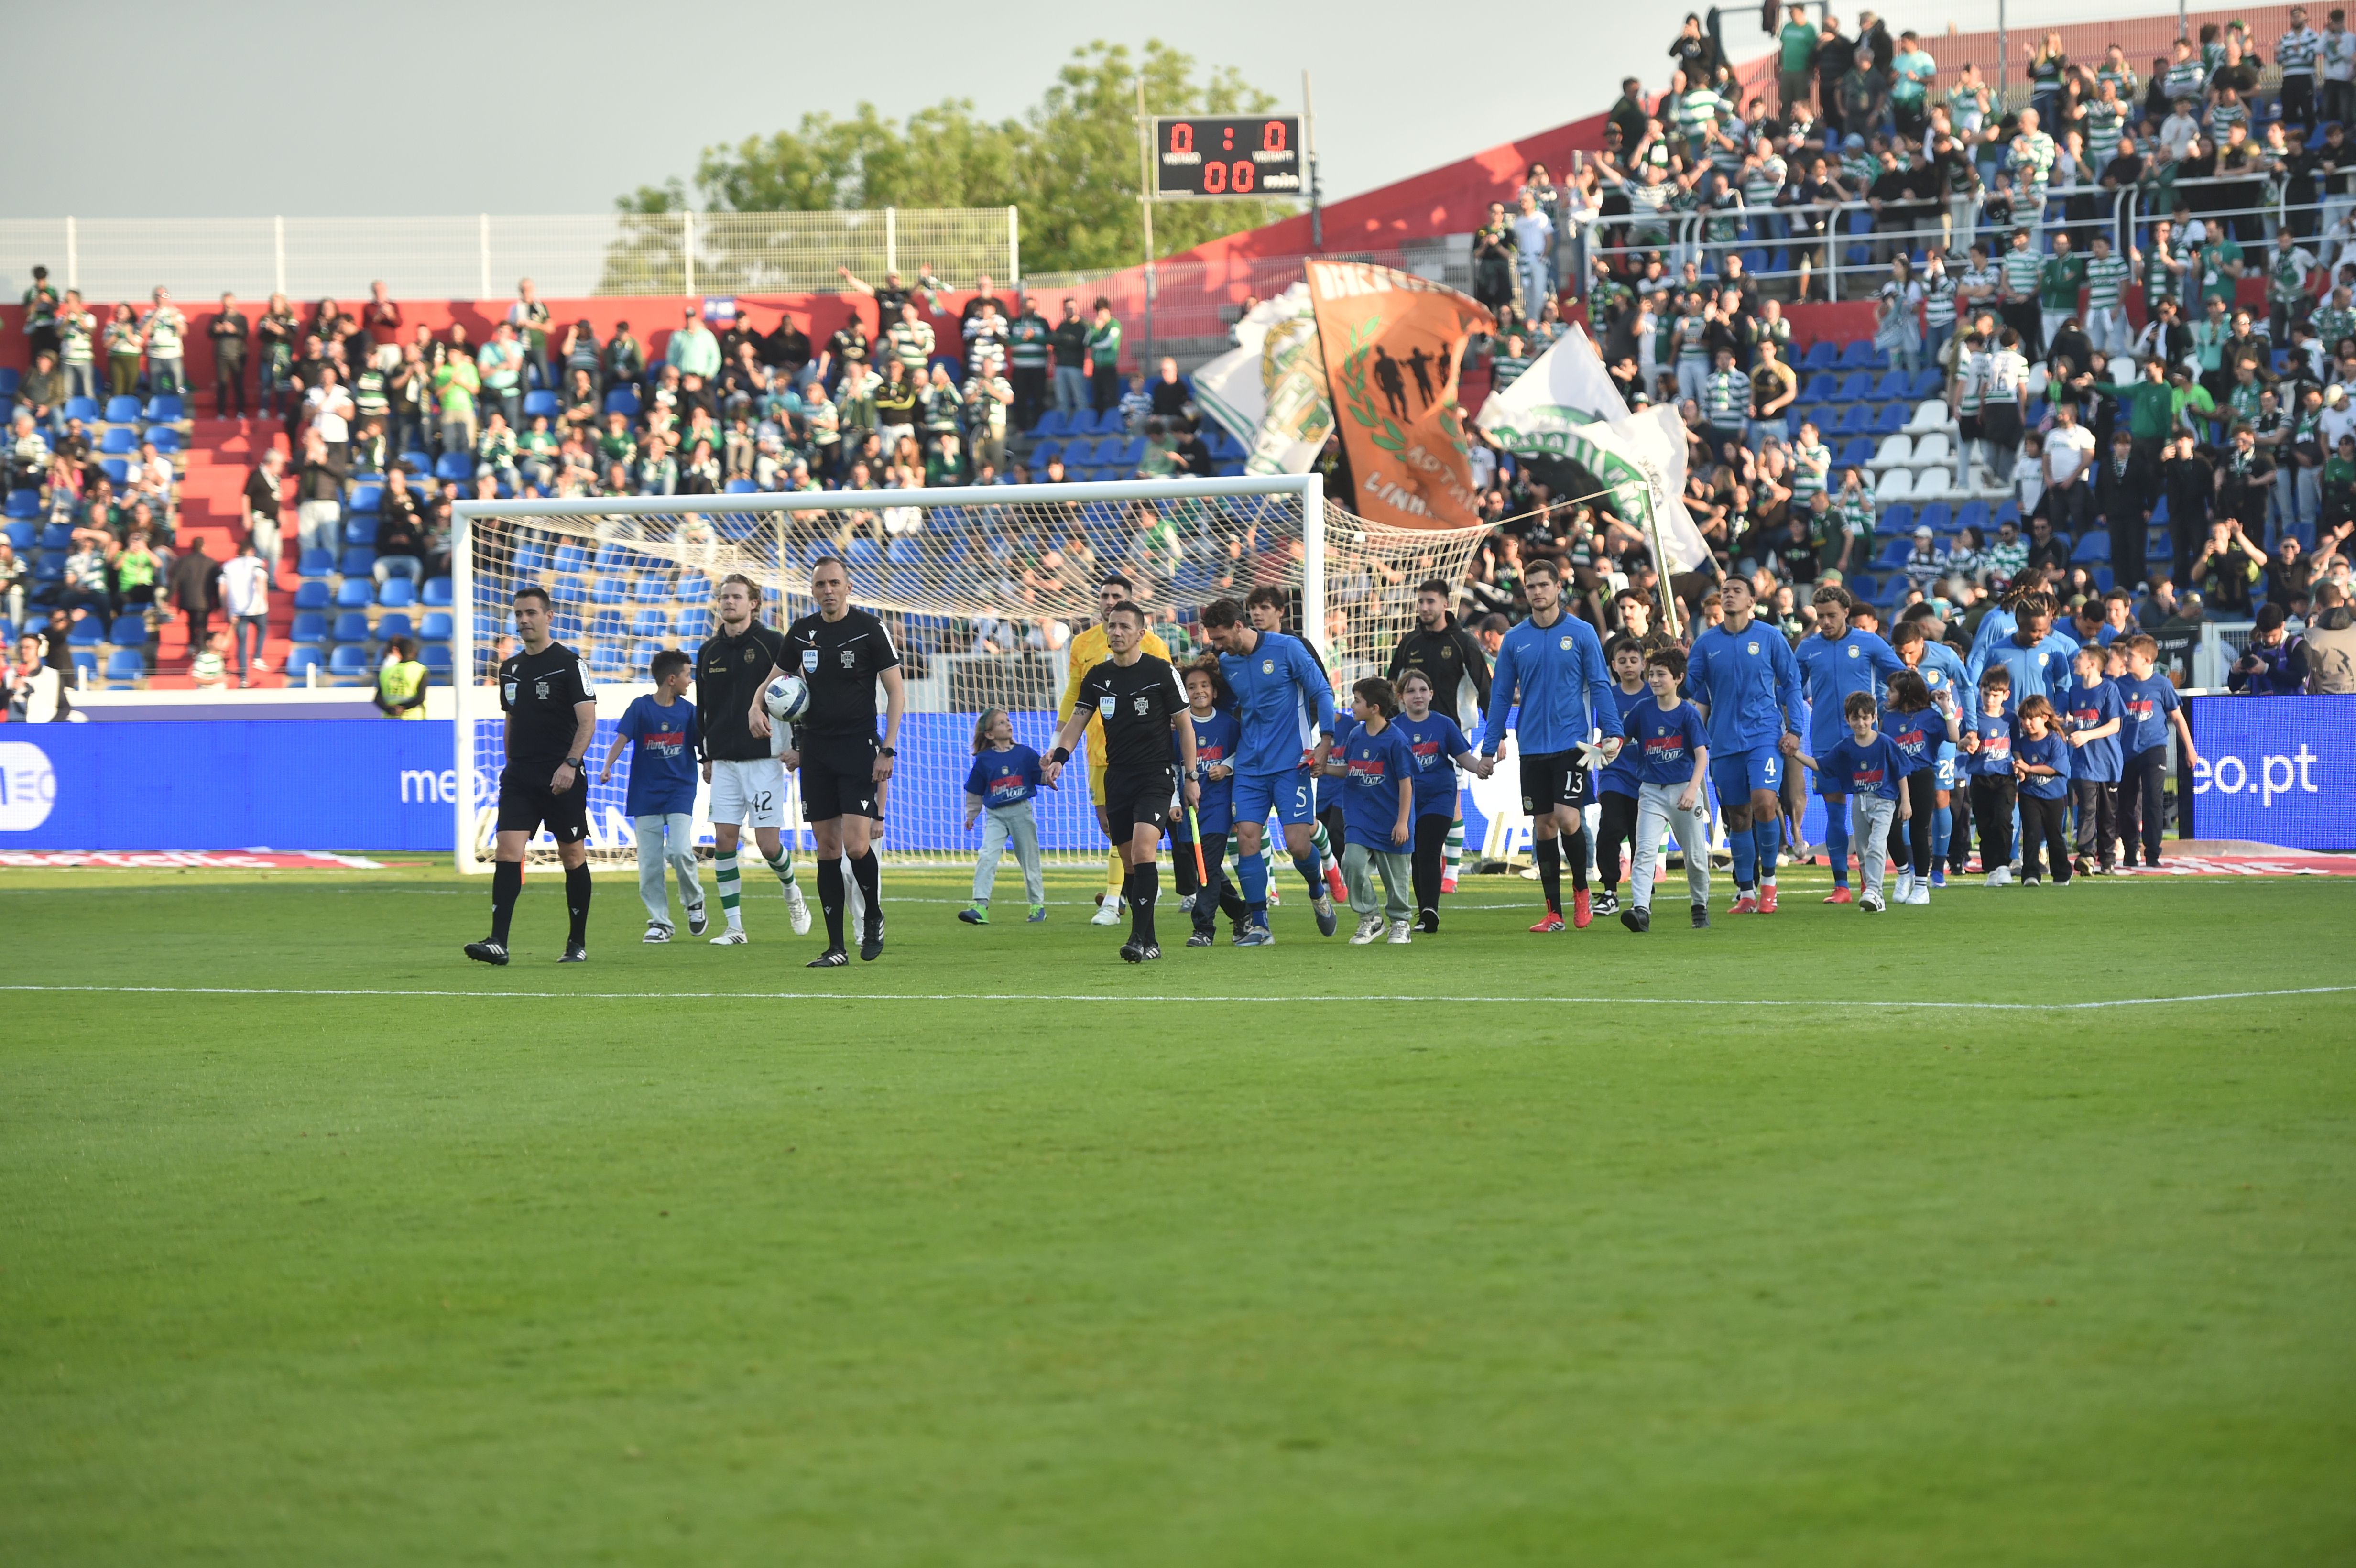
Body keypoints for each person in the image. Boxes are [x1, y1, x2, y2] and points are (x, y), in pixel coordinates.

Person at [753, 558, 905, 966]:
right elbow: (774, 677)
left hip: (858, 747)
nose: (828, 590)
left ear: (848, 587)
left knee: (857, 847)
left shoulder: (870, 629)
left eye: (835, 583)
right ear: (813, 590)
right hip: (816, 750)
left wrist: (887, 748)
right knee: (827, 849)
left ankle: (873, 915)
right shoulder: (802, 632)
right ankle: (836, 947)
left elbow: (896, 692)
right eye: (821, 584)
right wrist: (756, 705)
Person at [1042, 600, 1196, 961]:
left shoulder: (1161, 671)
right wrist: (1058, 758)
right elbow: (1078, 721)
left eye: (1125, 626)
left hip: (1156, 776)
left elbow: (1186, 727)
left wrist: (1190, 776)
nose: (1117, 632)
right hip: (1118, 778)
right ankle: (1151, 941)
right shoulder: (1098, 675)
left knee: (1144, 851)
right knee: (1130, 864)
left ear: (1141, 633)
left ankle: (1136, 939)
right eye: (1112, 626)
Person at [1477, 556, 1624, 931]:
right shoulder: (1515, 640)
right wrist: (1490, 745)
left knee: (1567, 817)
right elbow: (1499, 697)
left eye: (1544, 585)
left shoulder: (1582, 633)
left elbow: (1601, 684)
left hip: (1572, 743)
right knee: (1543, 827)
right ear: (1525, 592)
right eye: (1531, 586)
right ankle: (1553, 913)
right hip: (1532, 747)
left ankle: (1581, 891)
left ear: (1558, 588)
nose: (1538, 592)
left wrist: (1612, 730)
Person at [466, 587, 595, 966]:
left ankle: (577, 943)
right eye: (519, 614)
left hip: (562, 776)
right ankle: (498, 942)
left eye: (531, 613)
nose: (523, 620)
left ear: (549, 616)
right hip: (521, 776)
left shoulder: (570, 664)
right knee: (507, 850)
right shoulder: (510, 667)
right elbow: (512, 718)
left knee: (572, 856)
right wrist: (511, 764)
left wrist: (570, 764)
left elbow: (588, 722)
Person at [1199, 596, 1339, 945]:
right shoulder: (1228, 663)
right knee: (1246, 836)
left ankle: (1315, 889)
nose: (1216, 646)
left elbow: (1322, 691)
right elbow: (1227, 706)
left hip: (1292, 763)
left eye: (1219, 638)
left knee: (1297, 844)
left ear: (1238, 626)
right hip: (1249, 766)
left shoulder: (1287, 648)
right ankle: (1260, 925)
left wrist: (1325, 742)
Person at [695, 574, 810, 945]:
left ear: (754, 603)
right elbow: (704, 709)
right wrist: (706, 756)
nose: (728, 602)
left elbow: (799, 695)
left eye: (736, 597)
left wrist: (798, 744)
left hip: (764, 759)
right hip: (724, 762)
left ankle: (793, 891)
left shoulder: (773, 643)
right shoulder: (708, 651)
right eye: (724, 597)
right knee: (724, 842)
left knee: (768, 846)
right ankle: (735, 928)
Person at [1057, 574, 1175, 926]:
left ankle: (1115, 899)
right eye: (1104, 596)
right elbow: (1074, 697)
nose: (1109, 602)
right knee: (1111, 826)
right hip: (1101, 752)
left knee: (1140, 839)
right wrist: (1057, 748)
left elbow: (1174, 705)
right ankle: (1136, 888)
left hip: (1148, 758)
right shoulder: (1083, 645)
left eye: (1116, 597)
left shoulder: (1154, 648)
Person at [1688, 575, 1803, 913]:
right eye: (1725, 592)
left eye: (1737, 591)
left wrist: (1795, 728)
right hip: (1723, 740)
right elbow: (1690, 691)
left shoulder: (1770, 637)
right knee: (1738, 815)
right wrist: (1680, 668)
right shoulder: (1706, 643)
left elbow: (1793, 683)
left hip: (1764, 735)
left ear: (1752, 601)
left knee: (1765, 803)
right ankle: (1747, 892)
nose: (1729, 596)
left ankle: (1769, 884)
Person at [1794, 584, 1905, 902]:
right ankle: (1841, 885)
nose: (1826, 622)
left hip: (1866, 743)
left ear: (1846, 612)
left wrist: (1883, 709)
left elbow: (1899, 679)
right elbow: (1790, 688)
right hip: (1827, 741)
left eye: (1832, 615)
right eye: (1820, 616)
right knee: (1834, 813)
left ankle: (1868, 881)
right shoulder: (1807, 648)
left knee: (1868, 813)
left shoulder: (1869, 643)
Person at [1385, 577, 1492, 897]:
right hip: (1409, 735)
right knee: (1412, 799)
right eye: (1421, 602)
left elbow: (1484, 686)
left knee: (1452, 802)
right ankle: (1426, 865)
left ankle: (1453, 873)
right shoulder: (1409, 643)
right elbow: (1393, 686)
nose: (1424, 608)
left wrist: (1496, 733)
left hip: (1453, 733)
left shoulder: (1463, 641)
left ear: (1446, 603)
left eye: (1430, 602)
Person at [599, 649, 707, 944]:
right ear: (672, 679)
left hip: (680, 791)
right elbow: (622, 738)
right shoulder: (640, 708)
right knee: (649, 863)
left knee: (679, 851)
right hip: (645, 794)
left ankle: (694, 901)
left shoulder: (689, 712)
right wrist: (608, 767)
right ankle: (660, 922)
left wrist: (709, 763)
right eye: (687, 675)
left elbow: (703, 746)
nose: (690, 680)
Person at [1615, 645, 1714, 931]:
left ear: (1679, 679)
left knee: (1695, 855)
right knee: (1645, 851)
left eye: (1662, 675)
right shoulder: (1642, 710)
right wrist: (1608, 748)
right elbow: (1622, 737)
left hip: (1684, 790)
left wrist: (1692, 790)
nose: (1655, 680)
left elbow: (1701, 755)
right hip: (1651, 792)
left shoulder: (1688, 714)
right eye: (1652, 674)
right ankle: (1641, 910)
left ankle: (1699, 906)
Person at [1322, 677, 1418, 945]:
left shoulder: (1396, 741)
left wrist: (1402, 822)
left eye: (1356, 701)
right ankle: (1370, 918)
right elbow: (1351, 770)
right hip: (1359, 818)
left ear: (1374, 708)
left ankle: (1400, 922)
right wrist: (1325, 769)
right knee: (1351, 863)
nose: (1351, 706)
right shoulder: (1355, 735)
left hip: (1390, 820)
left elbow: (1406, 784)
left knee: (1396, 878)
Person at [1391, 668, 1486, 933]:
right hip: (1408, 802)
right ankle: (1424, 912)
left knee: (1428, 850)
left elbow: (1463, 757)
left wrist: (1479, 768)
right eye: (1411, 691)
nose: (1418, 696)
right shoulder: (1395, 727)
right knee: (1416, 858)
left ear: (1432, 694)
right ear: (1401, 697)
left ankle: (1430, 911)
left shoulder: (1444, 724)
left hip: (1440, 797)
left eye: (1423, 690)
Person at [1794, 692, 1908, 912]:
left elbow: (1901, 772)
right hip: (1859, 802)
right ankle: (1876, 895)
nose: (1861, 723)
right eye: (1856, 718)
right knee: (1863, 851)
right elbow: (1821, 765)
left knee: (1877, 845)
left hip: (1884, 802)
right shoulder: (1846, 746)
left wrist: (1906, 802)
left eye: (1866, 718)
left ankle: (1873, 891)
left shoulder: (1885, 743)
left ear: (1875, 717)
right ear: (1847, 720)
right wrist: (1795, 754)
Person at [1172, 659, 1252, 948]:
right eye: (1191, 687)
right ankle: (1243, 913)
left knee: (1207, 865)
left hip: (1218, 805)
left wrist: (1227, 767)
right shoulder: (1178, 727)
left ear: (1215, 691)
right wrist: (1173, 801)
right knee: (1208, 868)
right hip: (1189, 809)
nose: (1199, 691)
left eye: (1204, 685)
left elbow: (1244, 753)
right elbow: (1172, 767)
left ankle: (1204, 928)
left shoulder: (1229, 724)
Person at [2114, 633, 2198, 869]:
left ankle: (2153, 852)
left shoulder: (2162, 685)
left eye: (2131, 656)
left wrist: (2190, 750)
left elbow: (2178, 718)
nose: (2126, 660)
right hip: (2126, 751)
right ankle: (2131, 849)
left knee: (2154, 799)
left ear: (2148, 660)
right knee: (2127, 803)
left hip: (2154, 748)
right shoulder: (2120, 685)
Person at [1877, 668, 1959, 904]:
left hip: (1921, 777)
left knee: (1918, 831)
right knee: (1890, 829)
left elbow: (1954, 737)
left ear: (1905, 694)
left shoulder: (1929, 717)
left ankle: (1922, 886)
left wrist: (1945, 709)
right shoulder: (1889, 717)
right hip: (1894, 779)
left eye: (1893, 690)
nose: (1888, 693)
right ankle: (1904, 874)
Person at [959, 707, 1047, 925]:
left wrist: (1049, 774)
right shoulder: (984, 760)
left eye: (1008, 721)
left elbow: (1041, 777)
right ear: (989, 734)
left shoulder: (1025, 753)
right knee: (987, 855)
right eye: (1001, 723)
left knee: (1029, 859)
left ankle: (1037, 905)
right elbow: (975, 790)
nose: (1008, 724)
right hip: (995, 816)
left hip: (1021, 813)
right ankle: (980, 906)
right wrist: (971, 815)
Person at [1587, 638, 1651, 918]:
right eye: (1622, 661)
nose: (1628, 666)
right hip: (1614, 773)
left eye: (1633, 661)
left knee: (1641, 838)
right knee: (1610, 829)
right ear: (1613, 666)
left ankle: (1642, 891)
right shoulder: (1608, 696)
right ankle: (1610, 891)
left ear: (1643, 664)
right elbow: (1601, 733)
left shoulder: (1654, 694)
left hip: (1647, 778)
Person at [2058, 642, 2123, 875]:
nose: (2075, 662)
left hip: (2107, 763)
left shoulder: (2109, 690)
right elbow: (2077, 723)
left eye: (2079, 658)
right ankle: (2086, 854)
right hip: (2083, 764)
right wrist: (2060, 733)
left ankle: (2107, 858)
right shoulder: (2074, 692)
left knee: (2107, 814)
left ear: (2092, 664)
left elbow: (2114, 725)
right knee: (2087, 808)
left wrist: (2086, 735)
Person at [1959, 667, 2018, 884]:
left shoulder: (2011, 719)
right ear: (1980, 692)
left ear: (2005, 696)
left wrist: (2020, 763)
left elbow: (2018, 746)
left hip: (2004, 778)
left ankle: (2003, 864)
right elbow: (1962, 741)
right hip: (1980, 778)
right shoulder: (1974, 716)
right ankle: (1991, 868)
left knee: (2003, 819)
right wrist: (1966, 744)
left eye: (1995, 695)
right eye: (1986, 694)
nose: (1991, 700)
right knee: (1985, 824)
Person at [2011, 696, 2074, 886]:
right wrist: (2020, 771)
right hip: (2030, 795)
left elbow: (2055, 768)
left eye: (2032, 718)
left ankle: (2062, 873)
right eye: (2024, 719)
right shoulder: (2022, 743)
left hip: (2054, 797)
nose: (2027, 723)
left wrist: (2029, 768)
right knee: (2031, 834)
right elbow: (2020, 768)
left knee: (2054, 834)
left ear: (2045, 718)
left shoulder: (2055, 740)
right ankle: (2031, 874)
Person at [218, 534, 270, 686]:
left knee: (241, 643)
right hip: (256, 607)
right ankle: (258, 657)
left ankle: (243, 678)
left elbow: (222, 589)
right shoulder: (256, 563)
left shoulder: (228, 565)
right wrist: (262, 600)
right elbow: (261, 580)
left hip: (237, 609)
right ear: (251, 550)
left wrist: (225, 608)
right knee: (262, 628)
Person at [373, 636, 427, 719]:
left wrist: (391, 709)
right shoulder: (420, 669)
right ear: (413, 651)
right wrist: (403, 708)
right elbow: (420, 698)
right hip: (413, 720)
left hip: (389, 720)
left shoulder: (386, 671)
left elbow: (377, 699)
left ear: (398, 650)